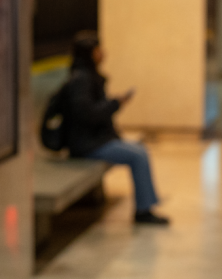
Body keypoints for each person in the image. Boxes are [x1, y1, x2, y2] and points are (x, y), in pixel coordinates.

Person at [62, 32, 169, 226]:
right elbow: (88, 115)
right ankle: (143, 210)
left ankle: (146, 204)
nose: (103, 53)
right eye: (98, 50)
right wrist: (115, 103)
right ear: (90, 54)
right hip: (87, 144)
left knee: (138, 150)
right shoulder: (82, 80)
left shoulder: (88, 76)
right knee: (139, 155)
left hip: (95, 139)